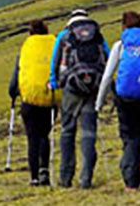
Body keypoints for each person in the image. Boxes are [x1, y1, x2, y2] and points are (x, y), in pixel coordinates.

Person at [96, 11, 140, 192]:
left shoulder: (121, 45)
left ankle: (131, 182)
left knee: (129, 135)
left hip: (126, 96)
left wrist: (99, 103)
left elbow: (108, 75)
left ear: (124, 27)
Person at [50, 10, 109, 189]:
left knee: (68, 131)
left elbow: (55, 60)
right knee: (89, 133)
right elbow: (107, 55)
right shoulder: (97, 35)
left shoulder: (64, 35)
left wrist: (54, 80)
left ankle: (66, 178)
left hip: (71, 87)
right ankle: (86, 179)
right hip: (93, 88)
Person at [7, 19, 58, 186]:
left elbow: (17, 75)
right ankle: (45, 170)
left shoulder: (26, 49)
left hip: (29, 100)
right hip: (49, 98)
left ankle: (34, 177)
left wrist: (13, 93)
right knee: (44, 135)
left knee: (33, 138)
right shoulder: (54, 45)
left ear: (30, 33)